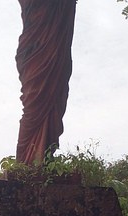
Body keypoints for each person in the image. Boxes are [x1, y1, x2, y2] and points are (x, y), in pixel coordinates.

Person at [15, 0, 77, 165]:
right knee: (34, 106)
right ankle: (25, 163)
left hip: (56, 52)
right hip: (36, 51)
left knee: (56, 99)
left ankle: (46, 158)